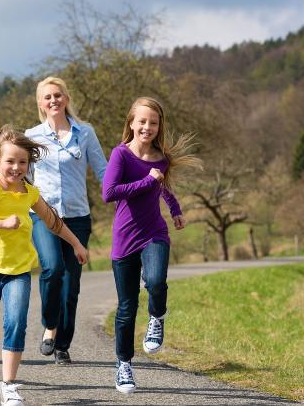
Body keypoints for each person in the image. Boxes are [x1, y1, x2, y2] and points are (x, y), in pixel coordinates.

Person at [0, 125, 88, 406]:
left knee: (16, 323)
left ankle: (9, 385)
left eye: (22, 162)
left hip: (18, 272)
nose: (16, 167)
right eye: (10, 161)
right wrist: (1, 223)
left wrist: (77, 244)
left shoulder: (30, 192)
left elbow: (53, 221)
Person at [101, 97, 201, 393]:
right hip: (124, 239)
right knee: (127, 308)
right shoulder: (120, 155)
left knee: (156, 281)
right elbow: (109, 193)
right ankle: (124, 366)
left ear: (159, 126)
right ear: (131, 123)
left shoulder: (162, 158)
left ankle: (157, 317)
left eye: (153, 122)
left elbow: (164, 186)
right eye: (142, 121)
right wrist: (146, 180)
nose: (147, 127)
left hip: (154, 232)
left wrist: (176, 210)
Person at [25, 76, 107, 365]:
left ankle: (62, 345)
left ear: (66, 98)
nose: (53, 100)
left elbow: (103, 170)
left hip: (78, 218)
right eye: (47, 97)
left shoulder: (84, 133)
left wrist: (125, 192)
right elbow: (23, 176)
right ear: (40, 103)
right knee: (52, 268)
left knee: (71, 284)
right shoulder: (31, 135)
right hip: (43, 215)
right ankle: (49, 325)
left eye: (58, 95)